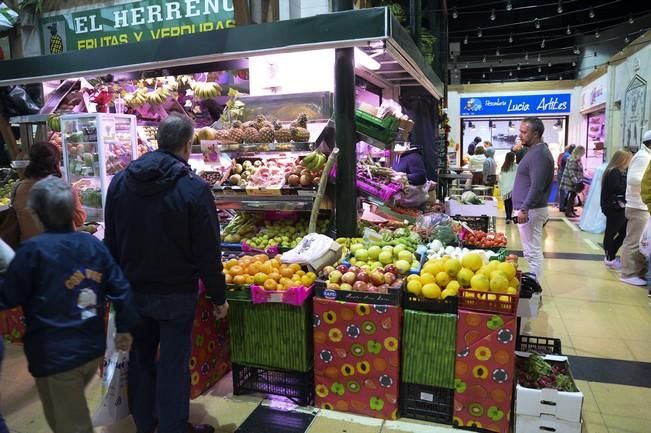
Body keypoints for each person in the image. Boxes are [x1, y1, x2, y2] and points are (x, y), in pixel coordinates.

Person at [104, 114, 228, 433]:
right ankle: (174, 427)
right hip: (175, 294)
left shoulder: (120, 182)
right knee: (173, 364)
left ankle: (146, 423)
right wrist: (218, 296)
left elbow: (111, 243)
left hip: (132, 291)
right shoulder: (194, 188)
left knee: (141, 358)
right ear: (188, 145)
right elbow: (207, 251)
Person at [0, 176, 136, 433]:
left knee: (71, 424)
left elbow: (8, 296)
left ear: (37, 214)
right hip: (90, 349)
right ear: (72, 212)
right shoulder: (92, 245)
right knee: (59, 414)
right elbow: (121, 287)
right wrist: (125, 329)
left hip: (56, 354)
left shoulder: (32, 252)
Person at [13, 142, 86, 242]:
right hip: (61, 249)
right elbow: (80, 219)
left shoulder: (18, 188)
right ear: (55, 162)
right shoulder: (63, 189)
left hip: (30, 248)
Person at [512, 117, 555, 280]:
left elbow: (537, 186)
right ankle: (534, 286)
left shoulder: (539, 154)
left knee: (532, 252)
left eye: (524, 132)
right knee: (530, 250)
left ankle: (534, 289)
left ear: (535, 133)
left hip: (531, 211)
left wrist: (524, 208)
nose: (520, 135)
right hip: (529, 210)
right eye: (520, 131)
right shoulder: (535, 151)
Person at [620, 130, 651, 286]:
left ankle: (636, 270)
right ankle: (628, 272)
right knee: (634, 240)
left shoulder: (644, 156)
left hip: (640, 205)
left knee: (640, 240)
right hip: (638, 206)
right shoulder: (643, 157)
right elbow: (633, 179)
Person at [601, 149, 632, 269]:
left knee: (621, 232)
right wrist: (628, 186)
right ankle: (610, 256)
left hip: (615, 207)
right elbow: (616, 188)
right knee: (612, 232)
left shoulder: (614, 171)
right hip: (615, 207)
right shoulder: (614, 171)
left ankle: (611, 254)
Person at [559, 146, 586, 218]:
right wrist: (576, 181)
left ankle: (571, 211)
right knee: (572, 196)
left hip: (574, 181)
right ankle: (569, 212)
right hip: (571, 182)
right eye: (583, 152)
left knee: (572, 196)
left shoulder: (576, 159)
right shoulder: (572, 159)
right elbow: (571, 172)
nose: (584, 154)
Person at [499, 151, 517, 223]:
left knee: (506, 202)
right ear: (513, 158)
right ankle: (511, 216)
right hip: (513, 188)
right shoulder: (516, 167)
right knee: (511, 202)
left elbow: (501, 178)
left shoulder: (503, 167)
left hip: (505, 187)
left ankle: (508, 217)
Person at [557, 144, 576, 212]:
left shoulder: (568, 154)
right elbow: (571, 161)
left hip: (565, 175)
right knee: (563, 191)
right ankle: (562, 207)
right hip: (562, 175)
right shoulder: (566, 155)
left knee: (566, 192)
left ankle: (566, 206)